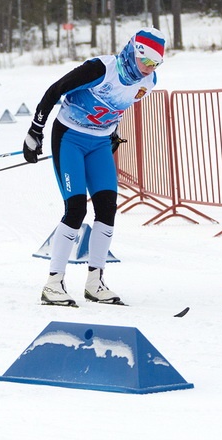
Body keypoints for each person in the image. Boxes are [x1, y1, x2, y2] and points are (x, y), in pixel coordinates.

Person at [22, 27, 167, 306]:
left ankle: (95, 282)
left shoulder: (148, 83)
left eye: (156, 64)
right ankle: (53, 284)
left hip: (99, 144)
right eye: (146, 61)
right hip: (70, 138)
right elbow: (55, 91)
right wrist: (35, 131)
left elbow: (116, 107)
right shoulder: (101, 68)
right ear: (132, 52)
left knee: (107, 208)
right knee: (76, 208)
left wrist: (111, 133)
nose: (150, 69)